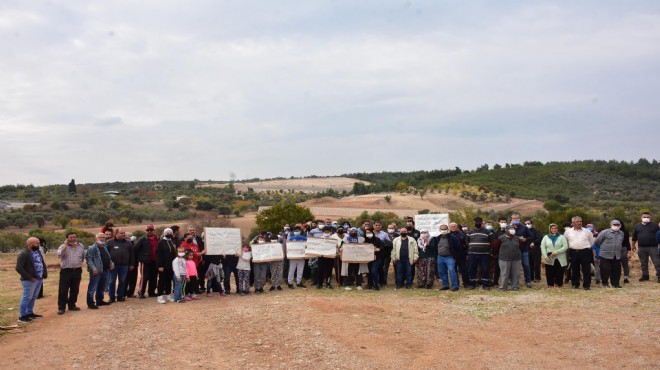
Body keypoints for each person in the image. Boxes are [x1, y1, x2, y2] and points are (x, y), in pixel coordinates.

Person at [16, 237, 47, 323]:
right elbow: (19, 268)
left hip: (38, 278)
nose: (39, 245)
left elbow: (42, 262)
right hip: (29, 280)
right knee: (27, 297)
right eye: (37, 243)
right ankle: (22, 316)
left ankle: (29, 313)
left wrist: (44, 273)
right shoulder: (24, 253)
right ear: (30, 244)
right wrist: (29, 277)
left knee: (33, 297)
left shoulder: (37, 251)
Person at [56, 232, 85, 315]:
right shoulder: (63, 246)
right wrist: (65, 246)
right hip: (66, 271)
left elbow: (83, 256)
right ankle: (61, 307)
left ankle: (72, 305)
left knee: (75, 289)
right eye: (70, 237)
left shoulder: (81, 246)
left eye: (74, 237)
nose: (73, 239)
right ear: (67, 238)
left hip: (77, 270)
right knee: (63, 290)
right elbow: (59, 255)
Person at [564, 216, 595, 290]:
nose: (579, 223)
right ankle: (575, 284)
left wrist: (584, 248)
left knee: (586, 269)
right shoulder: (568, 232)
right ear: (573, 223)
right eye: (577, 221)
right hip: (573, 252)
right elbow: (565, 241)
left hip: (585, 252)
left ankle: (587, 285)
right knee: (575, 269)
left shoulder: (587, 231)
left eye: (580, 221)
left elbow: (591, 242)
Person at [105, 229, 135, 303]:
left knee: (122, 281)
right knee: (112, 281)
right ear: (116, 234)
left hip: (124, 265)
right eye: (121, 233)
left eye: (123, 233)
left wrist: (131, 264)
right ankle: (111, 297)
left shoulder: (128, 243)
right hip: (113, 266)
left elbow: (132, 254)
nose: (123, 234)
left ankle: (120, 296)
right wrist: (108, 264)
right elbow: (106, 254)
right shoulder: (109, 242)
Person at [85, 233, 114, 309]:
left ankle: (100, 300)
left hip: (105, 270)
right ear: (96, 238)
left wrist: (111, 263)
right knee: (92, 288)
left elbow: (108, 257)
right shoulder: (92, 248)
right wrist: (94, 269)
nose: (102, 239)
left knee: (101, 287)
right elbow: (89, 259)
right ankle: (90, 303)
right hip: (96, 271)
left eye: (103, 237)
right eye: (100, 237)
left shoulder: (104, 246)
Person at [466, 217, 495, 290]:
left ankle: (485, 285)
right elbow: (466, 242)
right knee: (472, 269)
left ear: (482, 223)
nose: (478, 223)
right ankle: (472, 284)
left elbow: (493, 242)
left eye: (479, 222)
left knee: (485, 269)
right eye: (476, 222)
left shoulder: (488, 232)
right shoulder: (470, 232)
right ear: (474, 222)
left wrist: (490, 251)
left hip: (485, 254)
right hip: (472, 254)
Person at [431, 225, 462, 291]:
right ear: (439, 230)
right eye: (442, 229)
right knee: (442, 272)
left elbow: (458, 247)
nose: (443, 230)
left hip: (450, 257)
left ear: (447, 230)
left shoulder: (453, 237)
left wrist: (455, 257)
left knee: (452, 271)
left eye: (445, 229)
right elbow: (435, 248)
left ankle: (455, 286)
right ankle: (445, 285)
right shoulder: (437, 238)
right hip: (440, 257)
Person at [595, 220, 625, 288]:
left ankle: (615, 284)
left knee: (616, 270)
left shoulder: (621, 233)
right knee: (605, 269)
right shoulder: (605, 232)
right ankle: (605, 283)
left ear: (620, 225)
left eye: (618, 225)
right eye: (615, 225)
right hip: (605, 254)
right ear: (611, 225)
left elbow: (621, 242)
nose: (616, 226)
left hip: (616, 255)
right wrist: (604, 248)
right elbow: (597, 241)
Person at [631, 212, 660, 282]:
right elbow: (634, 236)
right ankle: (645, 276)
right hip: (641, 247)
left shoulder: (655, 225)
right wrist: (633, 245)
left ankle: (659, 276)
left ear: (650, 218)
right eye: (644, 217)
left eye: (648, 217)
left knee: (657, 262)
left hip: (653, 247)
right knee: (643, 262)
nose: (646, 218)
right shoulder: (637, 226)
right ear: (641, 218)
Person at [494, 225, 522, 291]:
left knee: (516, 274)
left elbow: (521, 247)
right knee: (504, 273)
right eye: (511, 229)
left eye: (513, 229)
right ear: (507, 230)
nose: (513, 230)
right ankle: (503, 287)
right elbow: (495, 247)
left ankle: (515, 287)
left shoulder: (517, 238)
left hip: (516, 258)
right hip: (504, 259)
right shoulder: (501, 238)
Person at [135, 225, 159, 299]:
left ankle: (151, 292)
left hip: (155, 261)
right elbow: (136, 249)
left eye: (151, 230)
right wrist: (141, 258)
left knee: (154, 277)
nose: (149, 232)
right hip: (145, 261)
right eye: (148, 230)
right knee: (144, 277)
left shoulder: (158, 238)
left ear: (154, 230)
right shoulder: (142, 239)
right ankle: (141, 292)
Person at [510, 214, 532, 288]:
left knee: (526, 265)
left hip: (524, 250)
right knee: (512, 267)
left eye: (517, 218)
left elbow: (531, 236)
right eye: (514, 218)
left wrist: (526, 239)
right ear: (511, 219)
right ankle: (512, 281)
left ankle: (528, 281)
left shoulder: (524, 227)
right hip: (513, 250)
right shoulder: (509, 227)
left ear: (519, 219)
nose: (515, 219)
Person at [156, 228, 178, 304]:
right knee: (161, 281)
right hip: (163, 265)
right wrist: (160, 265)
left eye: (170, 232)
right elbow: (158, 255)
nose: (169, 233)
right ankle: (159, 295)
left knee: (169, 280)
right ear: (164, 233)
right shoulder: (161, 242)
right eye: (167, 232)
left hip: (171, 265)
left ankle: (168, 294)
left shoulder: (173, 241)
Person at [449, 222, 469, 288]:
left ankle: (466, 284)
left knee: (464, 270)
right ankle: (455, 284)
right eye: (452, 226)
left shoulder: (462, 234)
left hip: (461, 255)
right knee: (453, 271)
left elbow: (466, 245)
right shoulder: (448, 235)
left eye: (454, 226)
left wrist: (466, 253)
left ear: (457, 227)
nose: (453, 227)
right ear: (449, 227)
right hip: (451, 256)